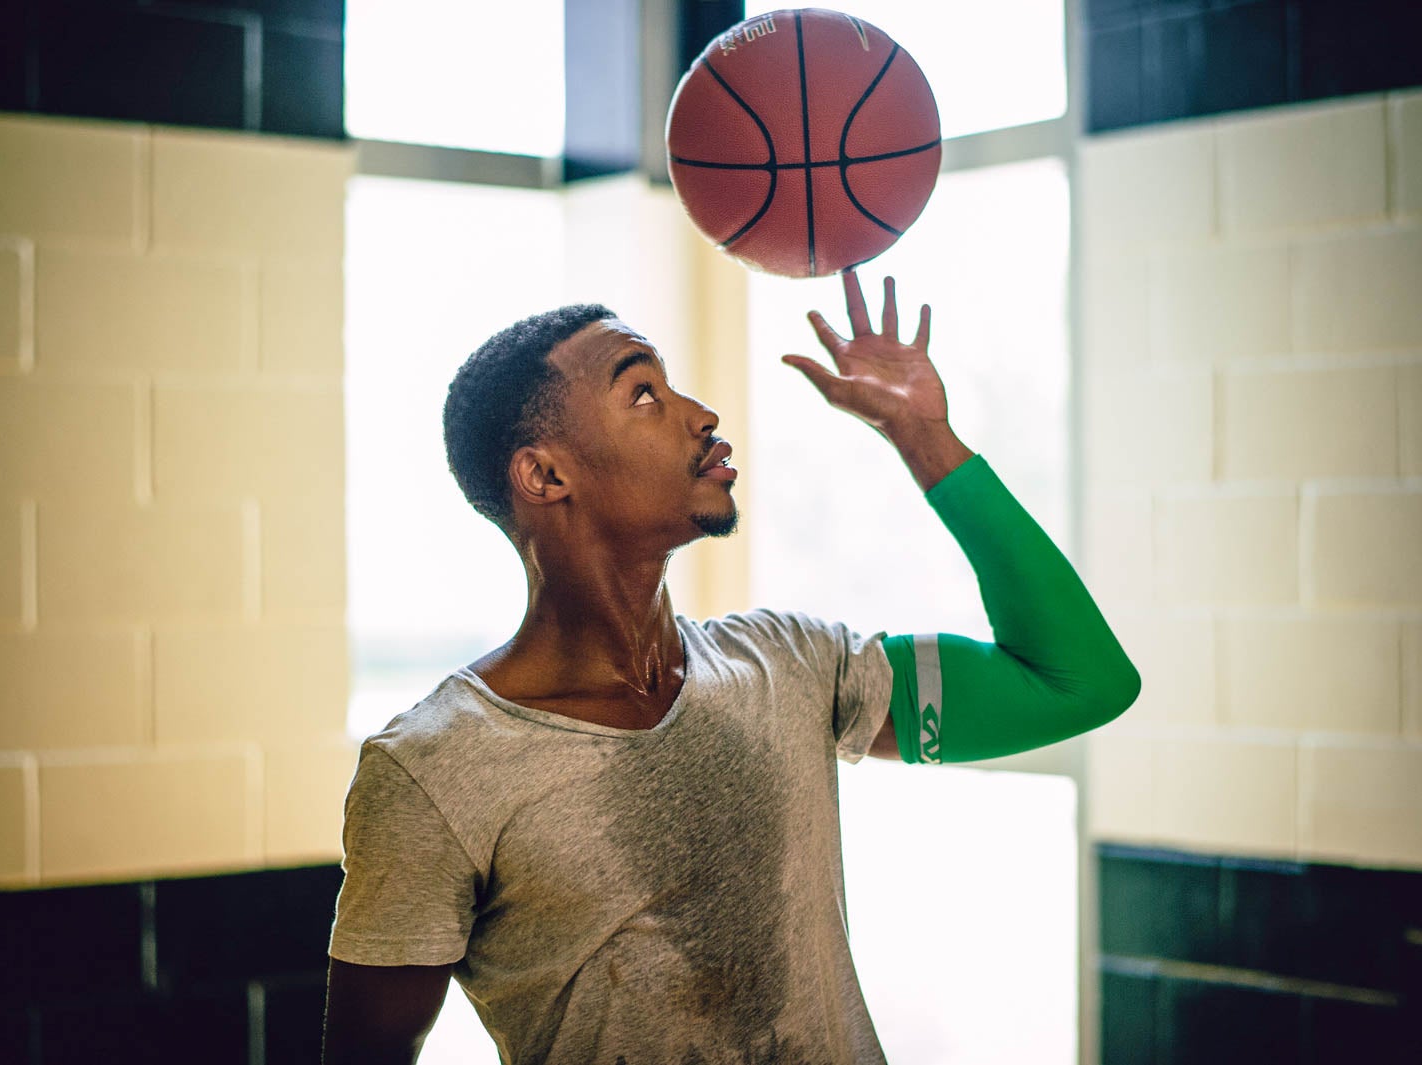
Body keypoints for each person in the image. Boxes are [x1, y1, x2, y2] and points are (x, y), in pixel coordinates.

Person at [321, 272, 1141, 1065]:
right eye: (643, 392)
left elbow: (1081, 680)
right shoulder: (433, 768)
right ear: (544, 474)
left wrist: (924, 435)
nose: (699, 414)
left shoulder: (791, 664)